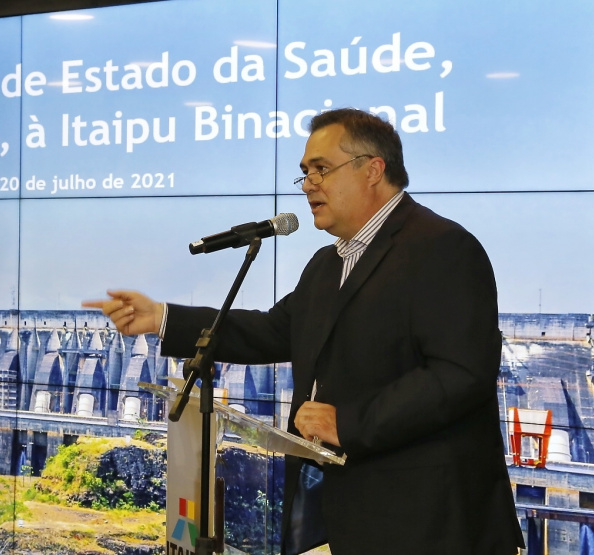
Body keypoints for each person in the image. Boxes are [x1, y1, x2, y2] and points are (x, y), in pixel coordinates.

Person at [83, 108, 524, 555]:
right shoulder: (327, 264)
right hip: (343, 518)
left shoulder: (442, 247)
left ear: (373, 169)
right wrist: (161, 317)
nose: (309, 184)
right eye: (305, 173)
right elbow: (271, 331)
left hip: (432, 524)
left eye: (321, 169)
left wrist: (347, 423)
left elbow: (459, 375)